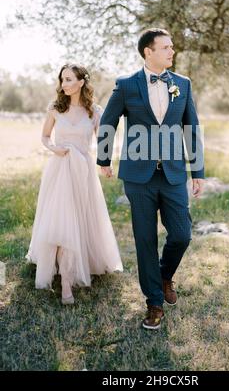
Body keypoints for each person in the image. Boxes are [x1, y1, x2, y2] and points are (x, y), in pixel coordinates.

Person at [97, 28, 204, 329]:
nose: (172, 52)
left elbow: (191, 128)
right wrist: (104, 159)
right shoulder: (127, 84)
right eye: (166, 47)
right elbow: (108, 121)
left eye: (172, 47)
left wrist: (198, 171)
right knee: (145, 240)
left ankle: (164, 274)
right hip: (138, 177)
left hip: (172, 174)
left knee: (182, 234)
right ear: (148, 51)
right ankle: (154, 302)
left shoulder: (182, 84)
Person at [26, 64, 123, 305]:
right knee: (61, 220)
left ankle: (76, 265)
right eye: (62, 80)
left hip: (83, 171)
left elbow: (104, 139)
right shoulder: (55, 108)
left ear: (81, 82)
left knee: (79, 218)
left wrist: (105, 163)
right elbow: (45, 136)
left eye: (69, 79)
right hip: (59, 170)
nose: (64, 84)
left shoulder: (94, 111)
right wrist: (54, 148)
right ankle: (66, 283)